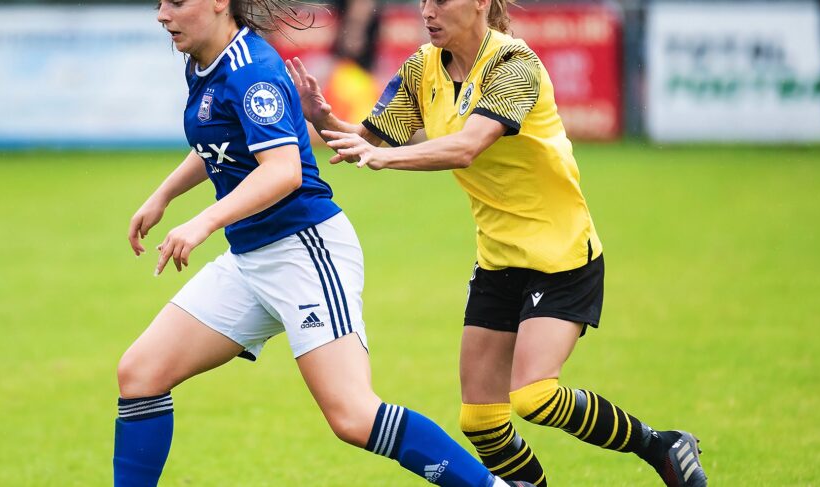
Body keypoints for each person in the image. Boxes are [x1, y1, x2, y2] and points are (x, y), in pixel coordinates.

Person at [285, 0, 708, 485]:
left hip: (561, 254)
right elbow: (367, 139)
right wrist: (323, 119)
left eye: (440, 1)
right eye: (423, 0)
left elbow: (467, 146)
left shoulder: (514, 65)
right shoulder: (422, 67)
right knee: (481, 422)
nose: (427, 11)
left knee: (534, 396)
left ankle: (662, 445)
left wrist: (385, 160)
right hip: (497, 259)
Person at [113, 0, 527, 486]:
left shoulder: (253, 72)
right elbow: (222, 141)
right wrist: (164, 194)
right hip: (251, 259)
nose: (162, 14)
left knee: (353, 416)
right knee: (139, 375)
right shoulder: (205, 62)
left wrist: (201, 222)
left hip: (304, 250)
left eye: (176, 2)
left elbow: (284, 171)